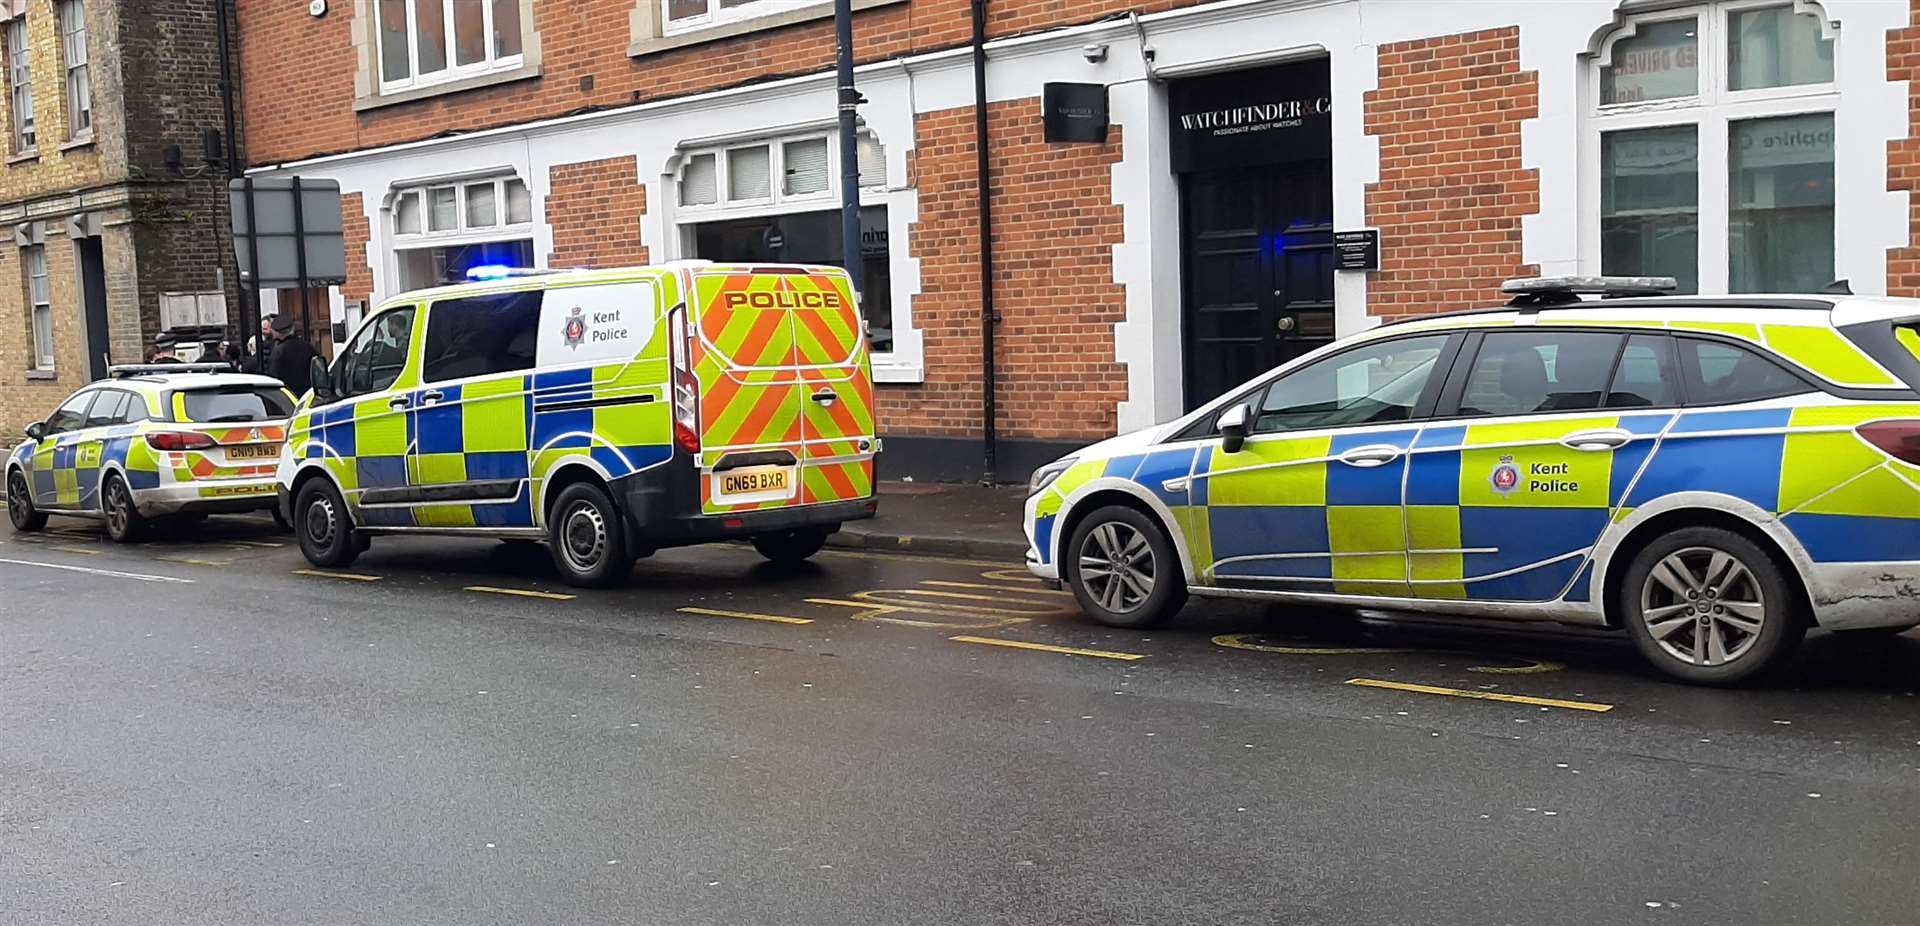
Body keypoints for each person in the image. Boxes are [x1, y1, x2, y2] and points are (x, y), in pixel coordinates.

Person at [265, 313, 317, 396]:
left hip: (287, 395)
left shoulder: (278, 351)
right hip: (307, 394)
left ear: (276, 332)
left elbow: (273, 375)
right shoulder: (307, 346)